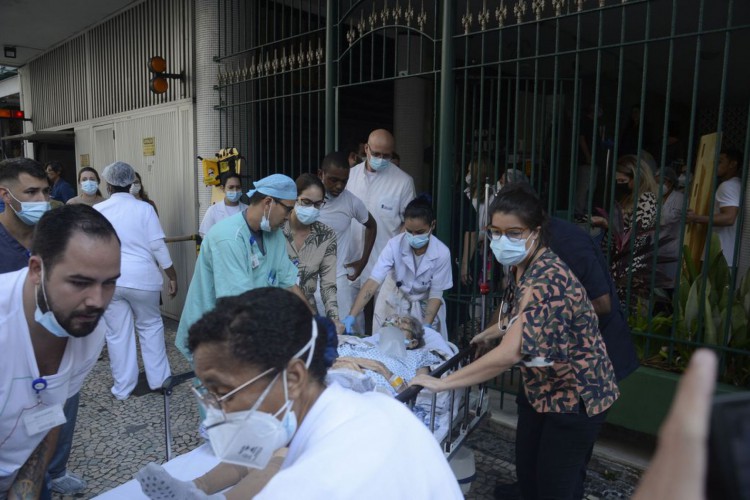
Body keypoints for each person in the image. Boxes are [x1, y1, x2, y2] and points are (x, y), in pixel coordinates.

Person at [136, 288, 463, 499]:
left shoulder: (304, 487)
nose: (216, 410)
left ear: (293, 376)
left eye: (223, 392)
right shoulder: (378, 410)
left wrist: (379, 369)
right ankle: (200, 488)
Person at [411, 183, 619, 500]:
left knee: (555, 488)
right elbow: (517, 315)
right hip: (543, 389)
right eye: (495, 231)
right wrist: (488, 333)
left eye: (514, 233)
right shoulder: (520, 266)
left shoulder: (547, 278)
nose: (502, 240)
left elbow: (509, 354)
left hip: (577, 396)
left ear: (535, 232)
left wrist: (443, 383)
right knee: (529, 476)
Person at [0, 204, 120, 499]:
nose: (97, 301)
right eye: (80, 282)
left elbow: (51, 413)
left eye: (110, 283)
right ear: (37, 270)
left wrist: (24, 490)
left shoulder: (88, 328)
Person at [176, 173, 309, 362]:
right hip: (214, 335)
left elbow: (289, 283)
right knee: (223, 387)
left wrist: (313, 321)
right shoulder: (228, 238)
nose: (289, 217)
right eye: (288, 209)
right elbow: (238, 304)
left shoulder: (274, 234)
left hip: (248, 328)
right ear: (268, 202)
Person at [95, 161, 178, 400]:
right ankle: (159, 380)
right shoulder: (144, 209)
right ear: (132, 183)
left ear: (108, 185)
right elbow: (157, 246)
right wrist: (172, 275)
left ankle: (122, 388)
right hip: (143, 279)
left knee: (118, 334)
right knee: (150, 326)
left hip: (111, 279)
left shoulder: (99, 211)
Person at [345, 198, 453, 338]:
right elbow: (373, 282)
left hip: (425, 305)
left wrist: (427, 324)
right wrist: (352, 315)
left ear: (432, 225)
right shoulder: (394, 245)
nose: (414, 237)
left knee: (423, 345)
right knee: (386, 345)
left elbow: (435, 294)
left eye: (420, 232)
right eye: (409, 231)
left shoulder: (442, 253)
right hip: (394, 299)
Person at [346, 129, 416, 333]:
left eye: (387, 155)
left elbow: (409, 222)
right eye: (376, 154)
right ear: (366, 149)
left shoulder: (403, 181)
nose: (381, 159)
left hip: (384, 263)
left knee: (385, 323)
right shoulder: (350, 177)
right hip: (350, 259)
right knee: (350, 319)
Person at [317, 151, 377, 328]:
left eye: (344, 181)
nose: (339, 186)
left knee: (340, 336)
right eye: (333, 180)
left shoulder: (351, 202)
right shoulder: (306, 200)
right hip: (306, 280)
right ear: (321, 174)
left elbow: (372, 226)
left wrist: (363, 261)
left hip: (338, 282)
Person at [591, 154, 658, 302]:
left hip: (629, 268)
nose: (619, 184)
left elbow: (637, 235)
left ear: (637, 177)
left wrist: (607, 224)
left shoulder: (646, 199)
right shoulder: (630, 198)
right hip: (618, 264)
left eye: (623, 181)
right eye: (617, 181)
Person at [282, 173, 339, 322]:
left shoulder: (326, 235)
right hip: (275, 310)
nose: (312, 208)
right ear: (294, 198)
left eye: (318, 204)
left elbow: (328, 285)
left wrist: (334, 318)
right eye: (306, 202)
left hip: (308, 315)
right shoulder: (277, 229)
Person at [687, 148, 743, 269]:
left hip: (720, 254)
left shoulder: (727, 186)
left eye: (720, 162)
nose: (715, 165)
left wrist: (696, 218)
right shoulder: (738, 185)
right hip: (730, 256)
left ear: (733, 164)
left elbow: (729, 218)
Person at [0, 158, 50, 274]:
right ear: (6, 195)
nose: (42, 199)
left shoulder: (56, 234)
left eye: (46, 191)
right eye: (31, 192)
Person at [655, 167, 685, 290]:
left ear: (670, 183)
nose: (658, 185)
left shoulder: (679, 198)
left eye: (661, 182)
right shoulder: (657, 197)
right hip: (657, 247)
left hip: (672, 248)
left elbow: (668, 219)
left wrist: (652, 216)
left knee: (668, 285)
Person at [576, 104, 604, 214]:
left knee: (590, 187)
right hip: (587, 161)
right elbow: (581, 139)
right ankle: (579, 211)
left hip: (592, 160)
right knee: (584, 187)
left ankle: (586, 210)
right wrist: (588, 156)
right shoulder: (585, 122)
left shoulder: (592, 123)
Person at [198, 173, 247, 237]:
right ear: (223, 188)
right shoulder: (213, 210)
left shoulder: (247, 210)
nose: (235, 190)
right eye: (231, 187)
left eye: (238, 187)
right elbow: (205, 235)